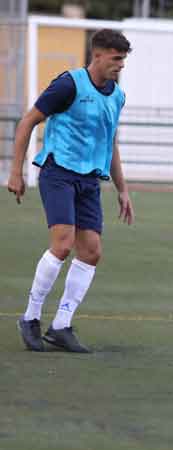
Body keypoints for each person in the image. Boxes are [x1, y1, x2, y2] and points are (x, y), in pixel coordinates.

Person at [7, 29, 134, 353]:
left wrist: (122, 189)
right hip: (59, 173)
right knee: (63, 245)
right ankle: (30, 318)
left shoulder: (117, 95)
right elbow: (27, 122)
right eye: (117, 59)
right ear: (98, 55)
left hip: (89, 181)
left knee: (91, 251)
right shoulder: (68, 84)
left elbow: (111, 142)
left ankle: (61, 325)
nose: (120, 65)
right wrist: (15, 171)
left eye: (123, 60)